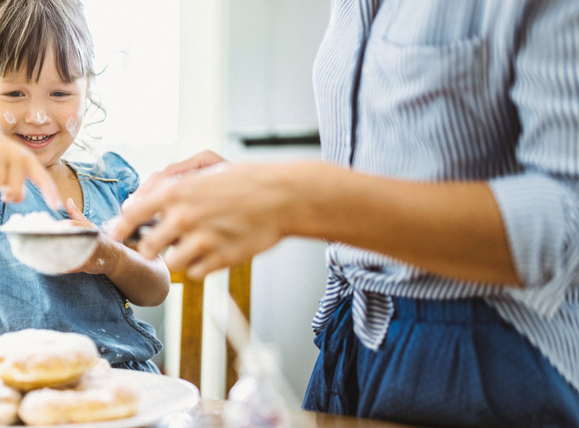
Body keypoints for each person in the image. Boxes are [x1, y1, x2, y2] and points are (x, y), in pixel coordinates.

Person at [110, 0, 579, 425]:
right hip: (350, 336)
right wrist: (254, 187)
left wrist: (300, 197)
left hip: (488, 356)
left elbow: (566, 222)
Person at [0, 0, 169, 373]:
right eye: (14, 94)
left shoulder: (110, 181)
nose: (38, 115)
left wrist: (111, 258)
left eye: (61, 94)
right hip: (29, 391)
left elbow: (156, 288)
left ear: (87, 89)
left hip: (125, 385)